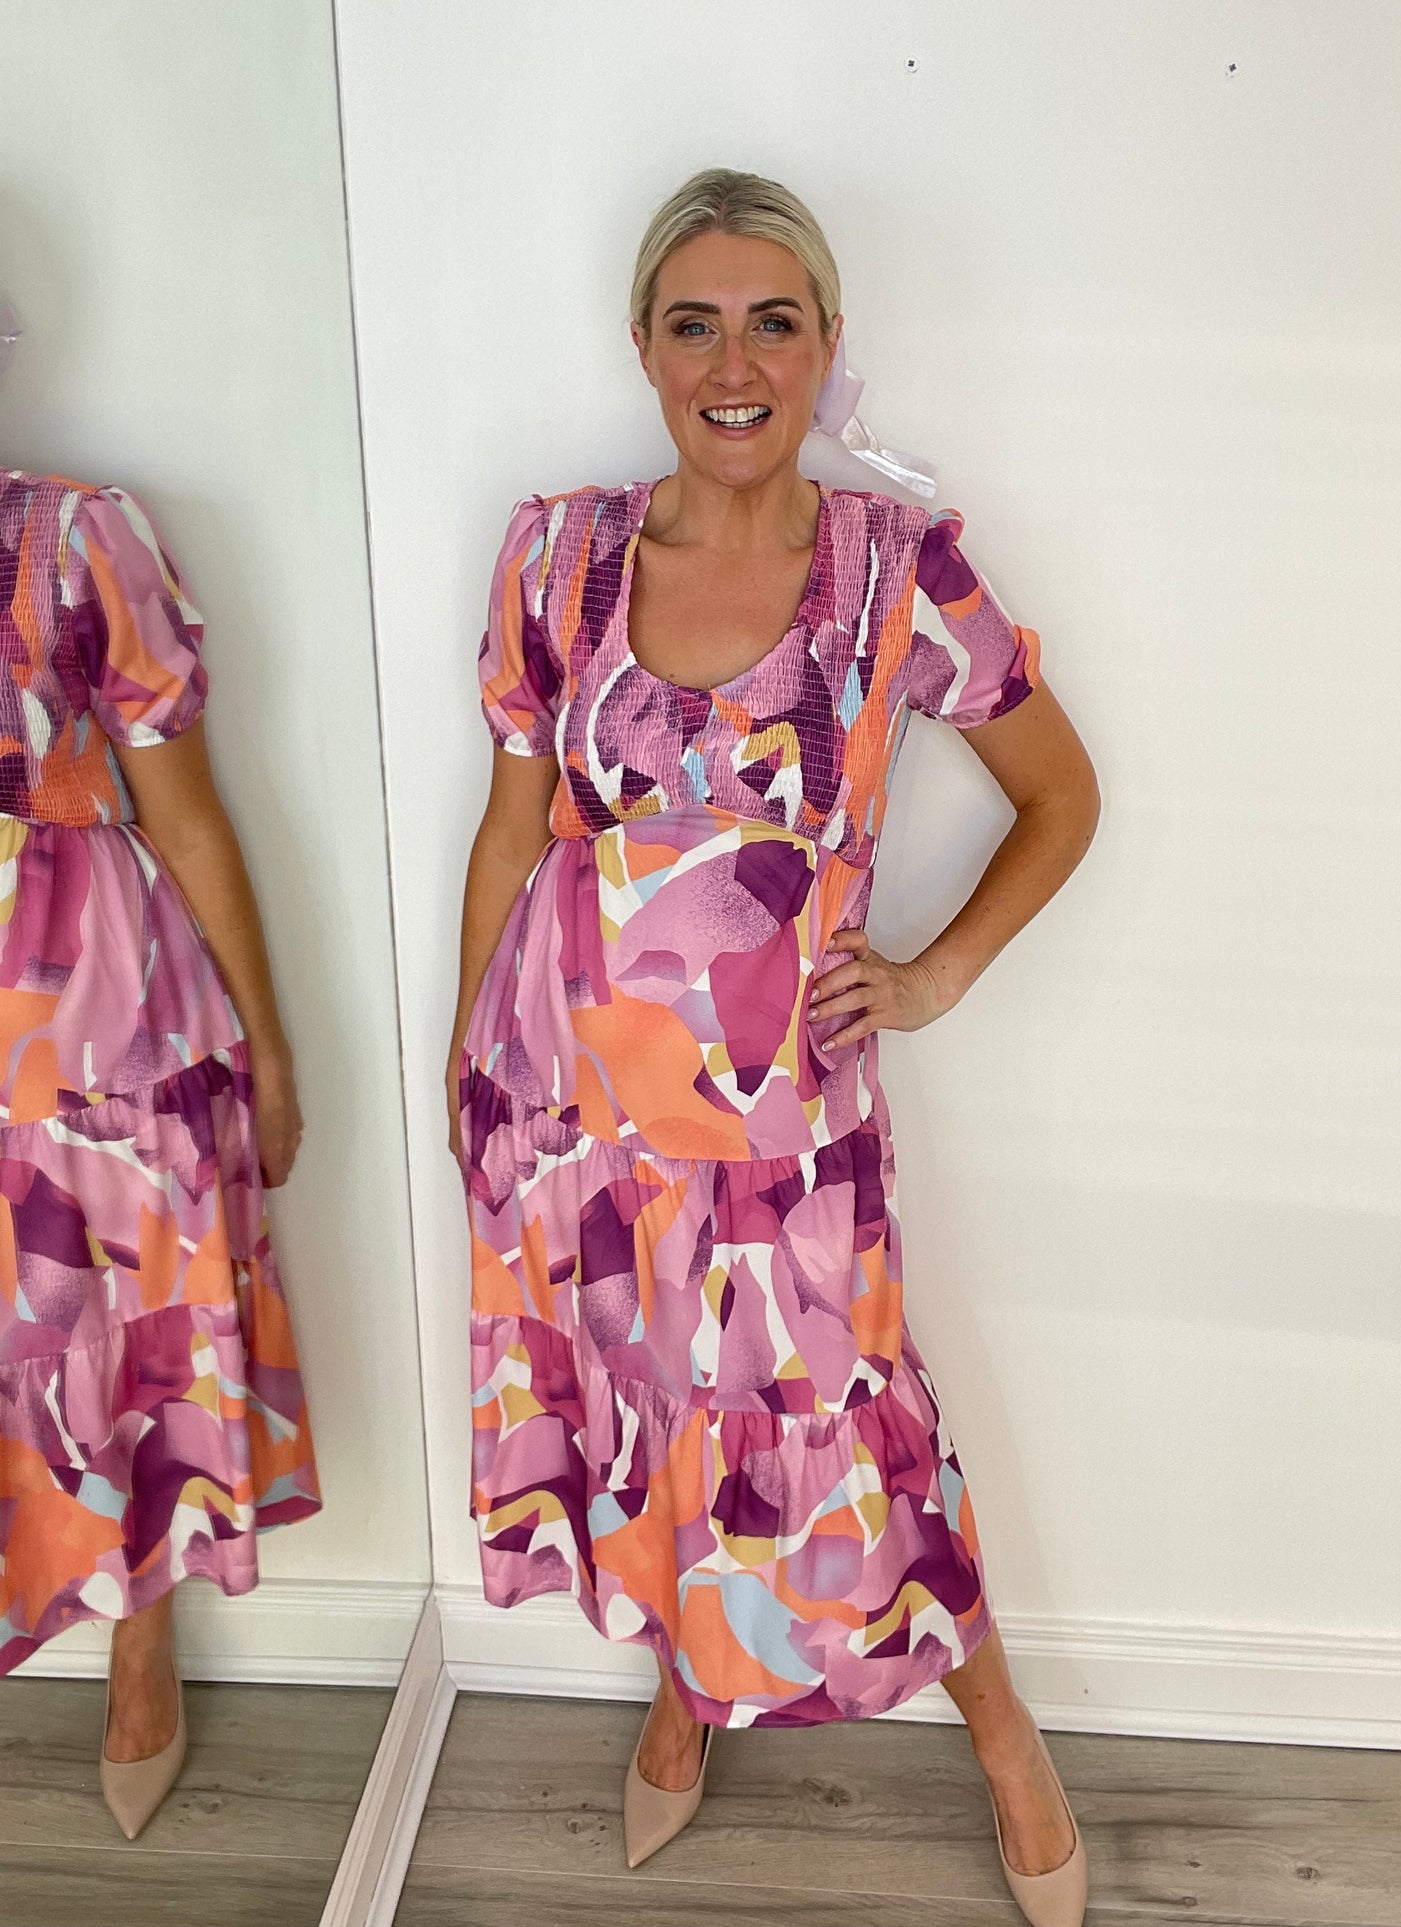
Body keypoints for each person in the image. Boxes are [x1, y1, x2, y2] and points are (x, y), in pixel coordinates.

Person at [446, 170, 1099, 1926]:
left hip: (785, 1125)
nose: (732, 366)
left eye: (771, 324)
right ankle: (684, 1694)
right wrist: (466, 1063)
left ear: (824, 346)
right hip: (574, 1104)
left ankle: (1005, 1742)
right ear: (642, 348)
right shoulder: (556, 556)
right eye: (694, 326)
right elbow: (512, 836)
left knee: (849, 1430)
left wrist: (933, 976)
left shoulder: (899, 574)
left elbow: (1060, 795)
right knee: (651, 1402)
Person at [0, 297, 321, 1840]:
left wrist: (269, 1048)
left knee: (114, 1325)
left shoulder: (76, 539)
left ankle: (141, 1634)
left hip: (93, 1010)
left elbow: (185, 812)